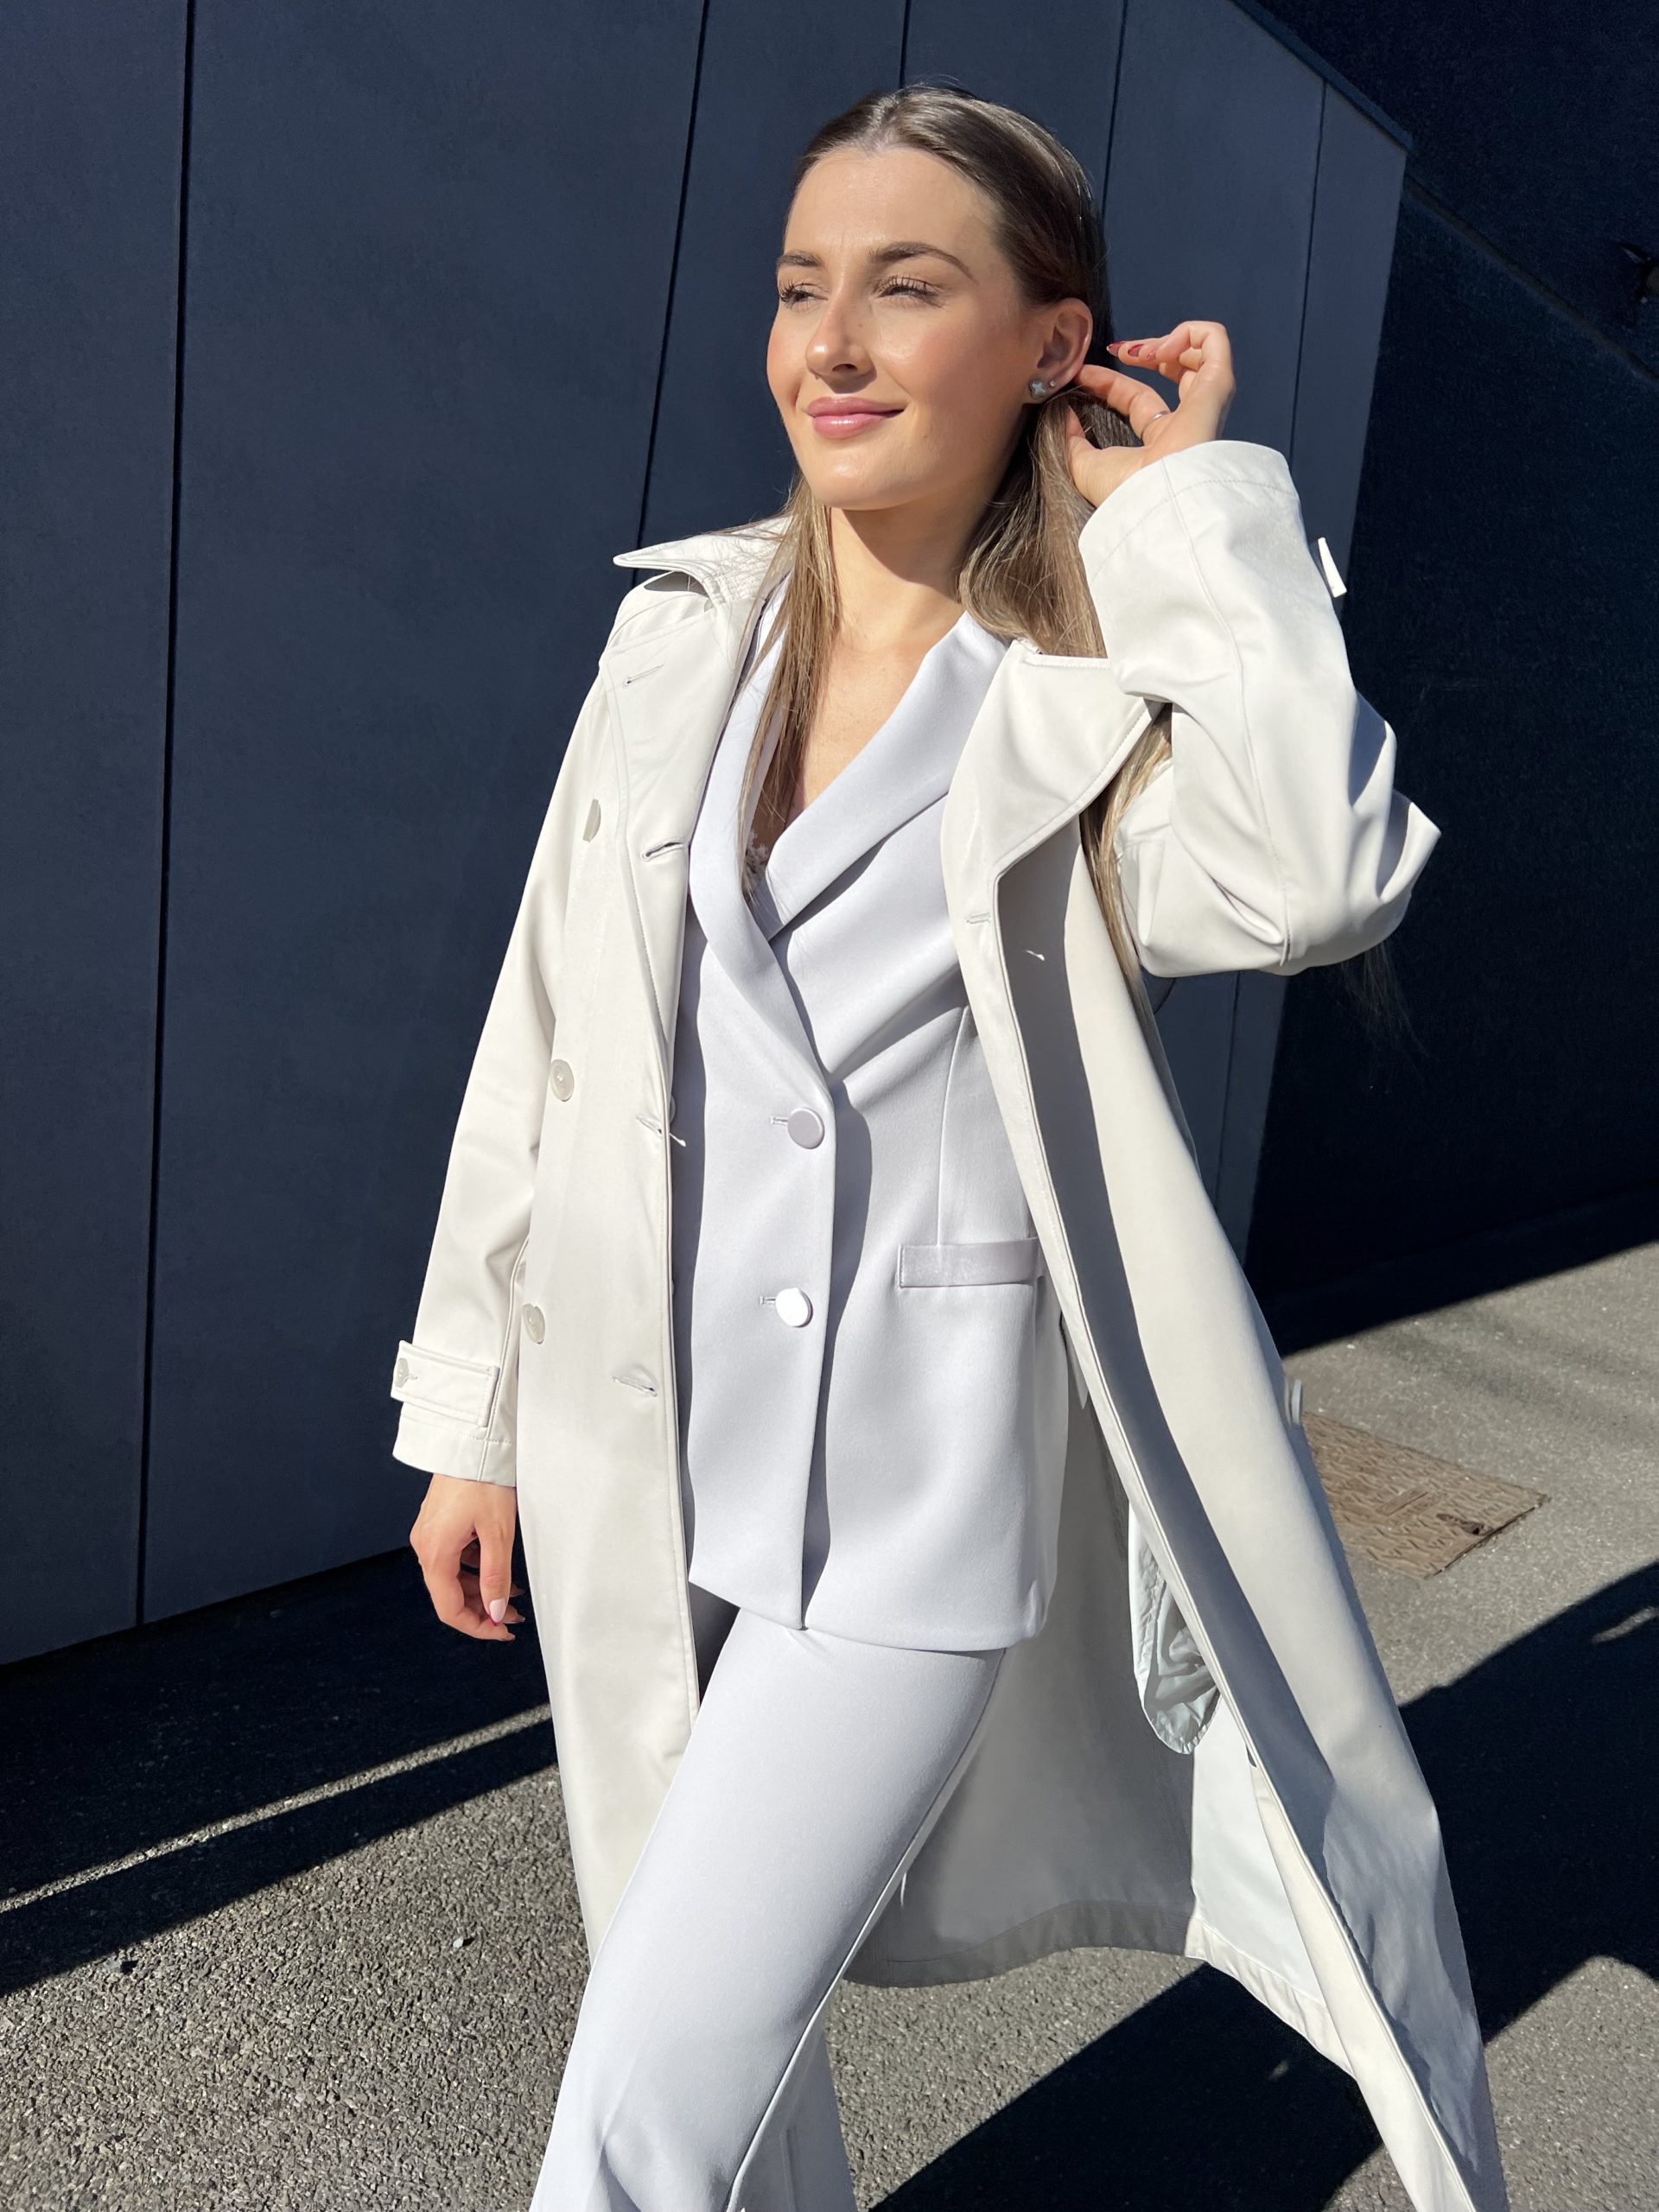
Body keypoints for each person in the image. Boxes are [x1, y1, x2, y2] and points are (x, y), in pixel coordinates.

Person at [391, 83, 1508, 2212]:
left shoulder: (1093, 693)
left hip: (904, 1510)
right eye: (801, 285)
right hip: (649, 1445)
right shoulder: (685, 635)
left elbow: (1321, 872)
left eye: (908, 287)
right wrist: (478, 1414)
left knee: (640, 2101)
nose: (831, 342)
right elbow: (543, 1041)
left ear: (1050, 342)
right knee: (703, 2036)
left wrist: (1194, 515)